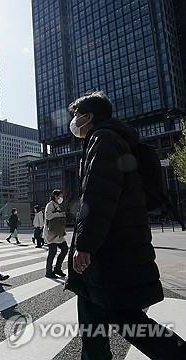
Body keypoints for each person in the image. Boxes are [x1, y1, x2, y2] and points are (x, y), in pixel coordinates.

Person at [64, 91, 186, 359]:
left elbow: (100, 195)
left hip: (110, 250)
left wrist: (84, 244)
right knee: (92, 317)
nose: (73, 122)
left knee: (124, 318)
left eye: (76, 116)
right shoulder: (116, 139)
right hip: (117, 245)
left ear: (89, 116)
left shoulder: (103, 139)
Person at [43, 189, 68, 278]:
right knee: (52, 252)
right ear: (55, 196)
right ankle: (48, 272)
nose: (61, 198)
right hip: (51, 233)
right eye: (60, 196)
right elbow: (48, 216)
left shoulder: (57, 205)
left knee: (65, 249)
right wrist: (60, 214)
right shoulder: (50, 205)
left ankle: (57, 269)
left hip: (58, 232)